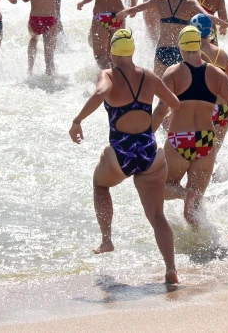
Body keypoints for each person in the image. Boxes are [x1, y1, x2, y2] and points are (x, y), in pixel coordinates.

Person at [68, 29, 180, 284]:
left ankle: (107, 239)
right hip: (150, 152)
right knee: (157, 216)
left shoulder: (108, 74)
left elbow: (99, 94)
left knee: (100, 184)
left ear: (112, 52)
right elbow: (174, 102)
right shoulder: (149, 76)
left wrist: (77, 121)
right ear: (132, 51)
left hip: (122, 152)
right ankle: (170, 268)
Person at [153, 26, 228, 226]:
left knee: (160, 186)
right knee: (194, 209)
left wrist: (145, 137)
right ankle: (204, 246)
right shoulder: (217, 74)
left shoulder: (173, 73)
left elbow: (160, 110)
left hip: (179, 140)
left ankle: (185, 194)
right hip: (206, 142)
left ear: (181, 46)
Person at [117, 0, 228, 76]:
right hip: (181, 51)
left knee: (160, 91)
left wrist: (121, 14)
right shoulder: (189, 2)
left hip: (162, 50)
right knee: (180, 92)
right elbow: (208, 16)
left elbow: (134, 9)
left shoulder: (159, 1)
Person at [16, 0, 69, 75]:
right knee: (49, 54)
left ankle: (30, 70)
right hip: (50, 19)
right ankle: (50, 76)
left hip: (35, 19)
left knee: (33, 39)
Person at [192, 14, 228, 149]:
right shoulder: (221, 53)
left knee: (200, 152)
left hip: (204, 108)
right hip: (223, 109)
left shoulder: (193, 53)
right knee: (214, 151)